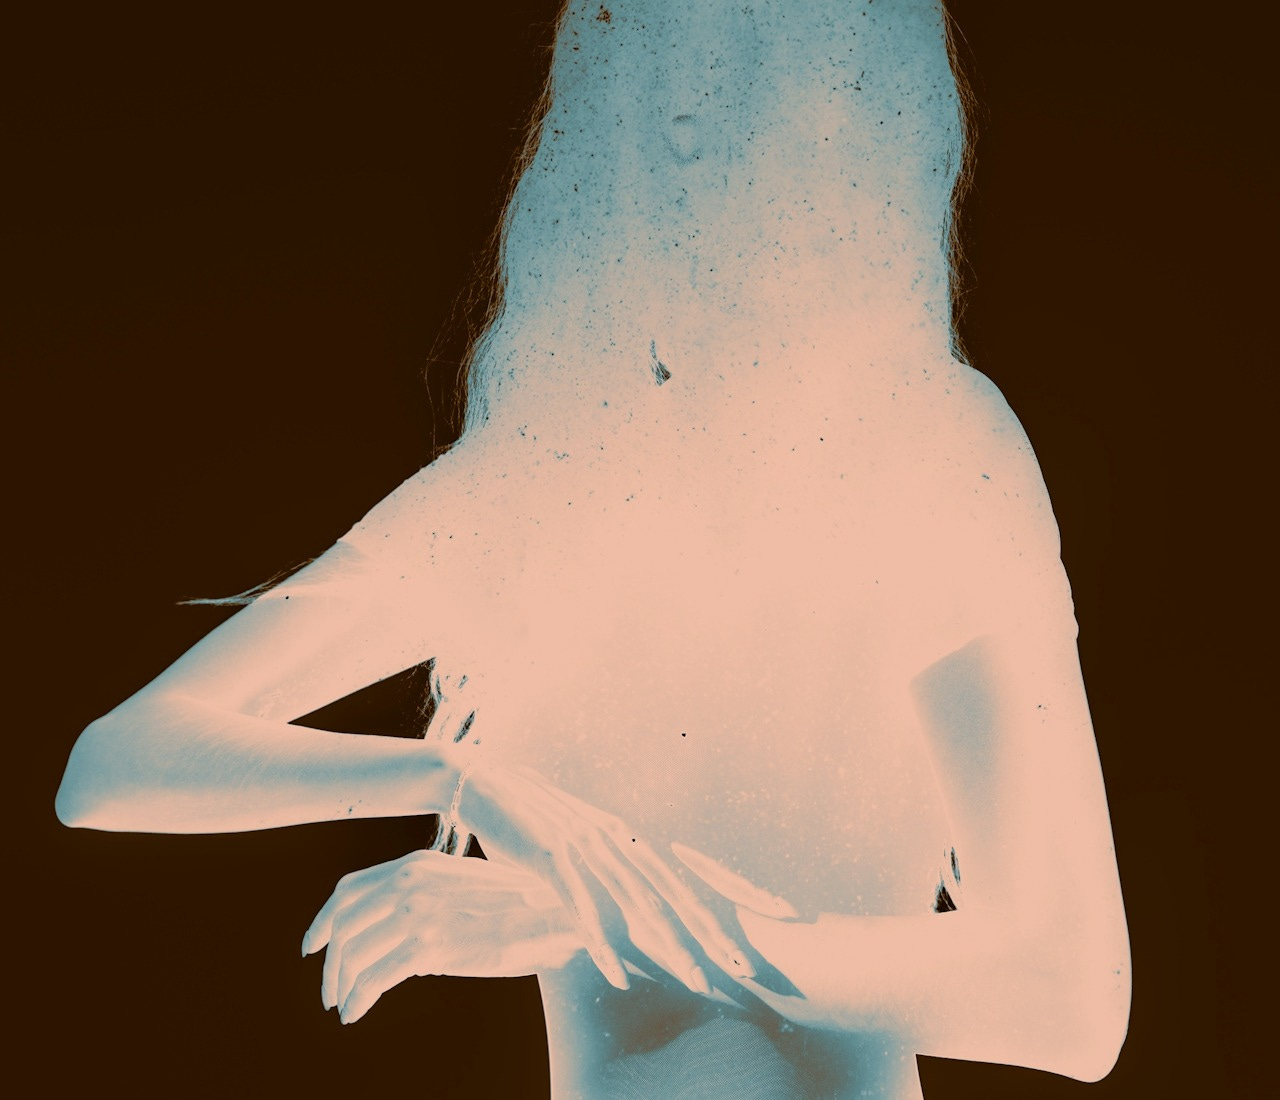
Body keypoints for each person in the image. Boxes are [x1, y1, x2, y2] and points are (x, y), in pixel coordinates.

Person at [56, 2, 1130, 1096]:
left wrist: (601, 911)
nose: (692, 140)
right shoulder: (535, 482)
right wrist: (458, 779)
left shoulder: (927, 451)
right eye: (661, 105)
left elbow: (1069, 998)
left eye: (746, 93)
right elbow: (114, 764)